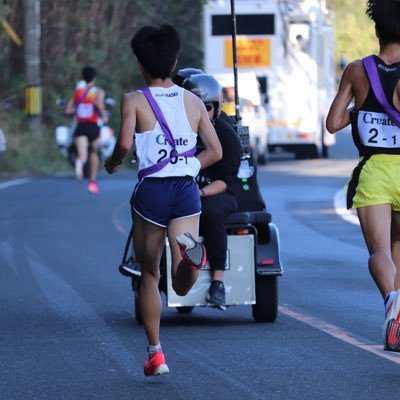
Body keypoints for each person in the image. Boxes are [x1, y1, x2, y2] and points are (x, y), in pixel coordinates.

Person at [104, 24, 222, 376]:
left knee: (150, 274)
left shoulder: (133, 100)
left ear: (141, 64)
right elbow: (214, 151)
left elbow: (125, 145)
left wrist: (112, 163)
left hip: (152, 192)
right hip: (186, 190)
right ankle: (191, 261)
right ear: (174, 64)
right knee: (182, 280)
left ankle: (156, 354)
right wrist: (188, 163)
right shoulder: (194, 101)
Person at [326, 0, 400, 352]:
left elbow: (333, 123)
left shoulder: (358, 70)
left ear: (376, 30)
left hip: (375, 171)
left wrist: (363, 106)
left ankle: (393, 305)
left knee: (379, 250)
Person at [183, 73, 242, 310]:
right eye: (192, 107)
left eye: (206, 108)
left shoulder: (226, 135)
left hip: (216, 193)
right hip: (182, 190)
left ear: (216, 108)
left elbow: (226, 181)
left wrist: (201, 193)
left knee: (210, 212)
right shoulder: (175, 132)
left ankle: (217, 283)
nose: (200, 113)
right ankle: (152, 270)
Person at [65, 65, 108, 194]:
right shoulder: (98, 92)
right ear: (94, 77)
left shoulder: (77, 93)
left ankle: (79, 165)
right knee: (94, 151)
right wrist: (104, 116)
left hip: (80, 126)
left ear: (82, 77)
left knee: (82, 154)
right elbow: (99, 105)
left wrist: (78, 109)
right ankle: (93, 178)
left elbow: (68, 110)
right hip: (93, 126)